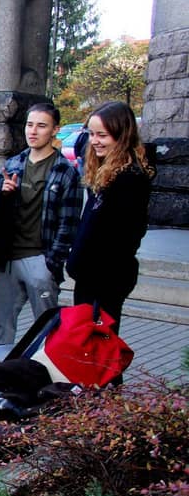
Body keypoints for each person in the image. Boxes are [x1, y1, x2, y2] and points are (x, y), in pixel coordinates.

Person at [0, 103, 82, 345]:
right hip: (8, 259)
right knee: (1, 326)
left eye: (41, 126)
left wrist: (52, 263)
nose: (33, 131)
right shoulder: (13, 164)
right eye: (29, 125)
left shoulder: (65, 171)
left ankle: (44, 368)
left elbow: (68, 223)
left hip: (40, 259)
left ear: (55, 130)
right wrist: (1, 194)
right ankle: (0, 368)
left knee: (47, 330)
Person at [67, 101, 153, 333]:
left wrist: (91, 272)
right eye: (91, 134)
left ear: (121, 136)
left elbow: (125, 237)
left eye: (102, 135)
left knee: (100, 345)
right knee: (87, 343)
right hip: (91, 279)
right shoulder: (107, 172)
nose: (94, 140)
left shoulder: (129, 179)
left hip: (104, 282)